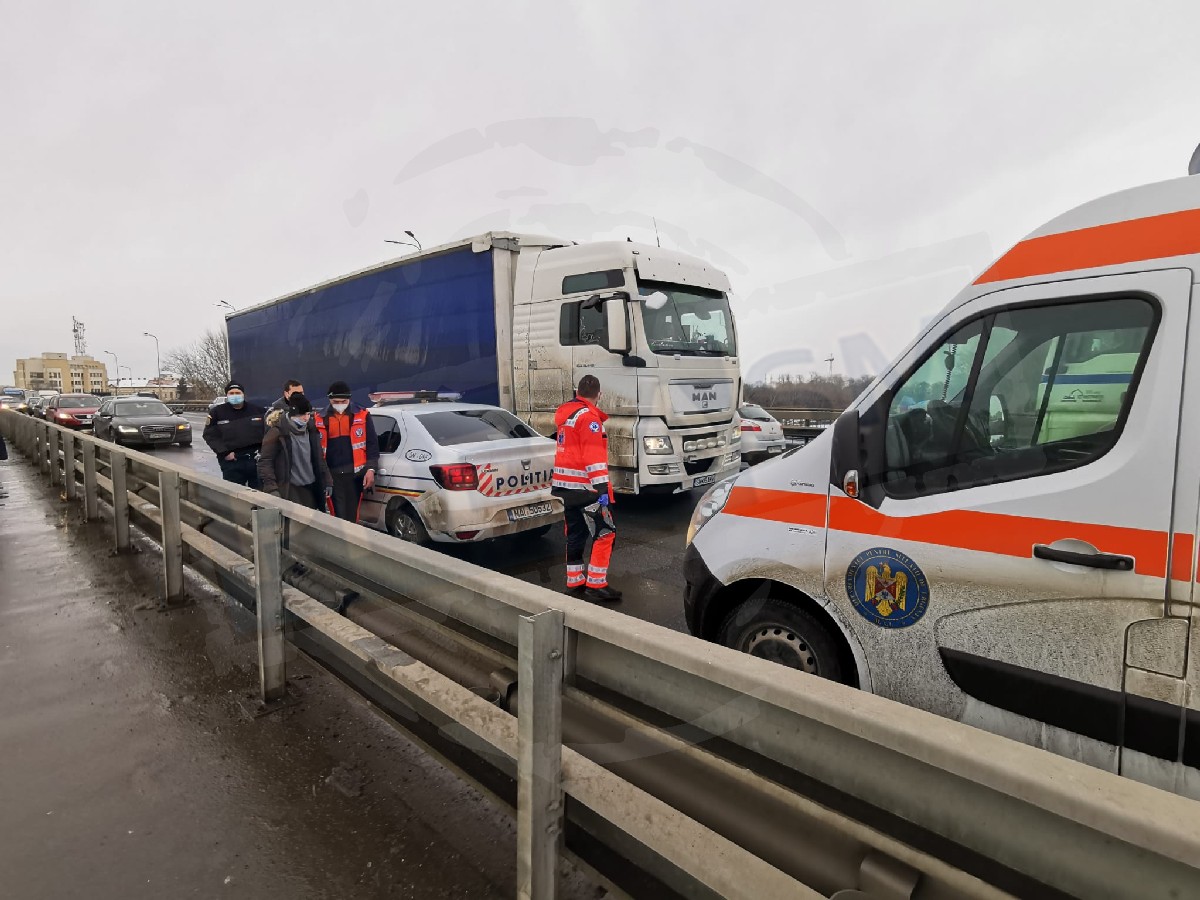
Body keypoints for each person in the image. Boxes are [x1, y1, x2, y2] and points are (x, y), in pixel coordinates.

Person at [551, 375, 621, 602]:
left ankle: (575, 581)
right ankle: (596, 584)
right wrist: (603, 492)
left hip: (565, 488)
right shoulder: (590, 419)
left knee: (575, 534)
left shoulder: (566, 416)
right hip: (587, 489)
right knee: (605, 533)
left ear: (577, 391)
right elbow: (593, 458)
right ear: (599, 394)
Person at [315, 381, 378, 521]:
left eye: (343, 401)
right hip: (332, 476)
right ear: (330, 400)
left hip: (355, 475)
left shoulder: (362, 415)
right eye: (336, 401)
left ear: (349, 398)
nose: (340, 404)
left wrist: (371, 469)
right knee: (338, 515)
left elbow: (372, 444)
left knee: (352, 514)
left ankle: (351, 540)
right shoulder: (319, 418)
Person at [258, 393, 332, 509]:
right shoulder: (277, 432)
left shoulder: (311, 430)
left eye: (308, 414)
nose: (306, 418)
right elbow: (265, 462)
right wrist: (272, 488)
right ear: (293, 414)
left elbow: (319, 457)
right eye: (302, 415)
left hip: (311, 488)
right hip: (290, 489)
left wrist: (327, 480)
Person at [202, 381, 266, 488]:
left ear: (243, 394)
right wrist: (224, 453)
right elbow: (210, 435)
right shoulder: (217, 413)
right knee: (234, 494)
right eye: (231, 393)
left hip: (255, 461)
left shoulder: (258, 411)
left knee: (259, 495)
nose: (235, 395)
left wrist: (264, 453)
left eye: (237, 392)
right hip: (232, 462)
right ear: (227, 395)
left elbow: (268, 433)